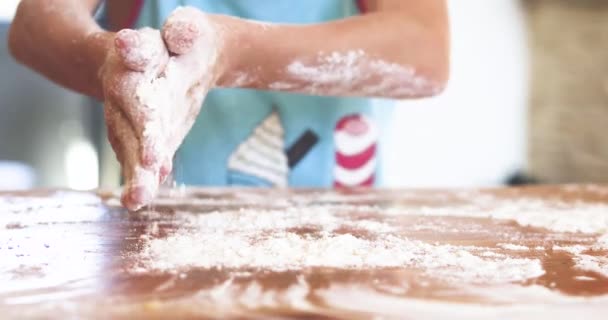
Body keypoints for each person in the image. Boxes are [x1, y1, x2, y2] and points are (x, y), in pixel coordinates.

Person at [8, 0, 450, 210]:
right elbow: (35, 23)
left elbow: (425, 49)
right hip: (165, 255)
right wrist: (110, 60)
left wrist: (229, 52)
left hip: (347, 243)